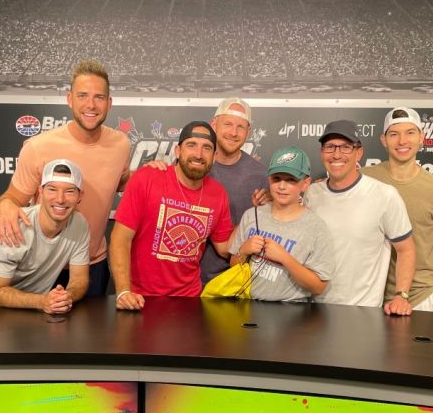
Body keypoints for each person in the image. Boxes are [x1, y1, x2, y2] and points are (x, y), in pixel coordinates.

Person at [0, 59, 129, 297]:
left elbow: (118, 181)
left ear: (109, 103)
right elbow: (13, 197)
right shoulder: (38, 146)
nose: (91, 104)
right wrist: (4, 205)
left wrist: (155, 172)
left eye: (98, 97)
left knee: (90, 334)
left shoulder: (121, 144)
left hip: (92, 262)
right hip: (41, 265)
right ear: (69, 99)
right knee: (35, 333)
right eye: (83, 95)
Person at [110, 121, 234, 310]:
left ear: (214, 156)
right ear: (177, 151)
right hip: (140, 297)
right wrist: (124, 292)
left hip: (188, 300)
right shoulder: (147, 178)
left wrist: (256, 217)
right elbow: (120, 239)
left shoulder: (218, 194)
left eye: (206, 148)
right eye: (191, 145)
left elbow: (224, 247)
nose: (198, 155)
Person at [0, 159, 89, 314]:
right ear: (40, 192)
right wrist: (42, 301)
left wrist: (67, 296)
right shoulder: (15, 225)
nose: (60, 199)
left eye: (69, 191)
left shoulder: (80, 224)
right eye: (52, 189)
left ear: (80, 196)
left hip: (25, 300)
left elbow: (79, 279)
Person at [305, 119, 416, 315]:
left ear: (359, 152)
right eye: (330, 147)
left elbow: (406, 249)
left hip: (361, 312)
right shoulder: (311, 194)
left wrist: (401, 295)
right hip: (314, 310)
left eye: (346, 147)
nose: (337, 154)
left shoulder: (384, 195)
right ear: (322, 152)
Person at [361, 107, 433, 312]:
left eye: (410, 133)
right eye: (394, 134)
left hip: (417, 299)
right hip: (366, 296)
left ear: (422, 137)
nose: (402, 141)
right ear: (383, 139)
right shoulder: (363, 179)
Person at [230, 146, 333, 302]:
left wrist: (285, 258)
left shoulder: (316, 227)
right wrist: (244, 250)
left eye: (291, 180)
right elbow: (233, 265)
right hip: (247, 307)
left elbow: (318, 287)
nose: (282, 186)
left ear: (305, 183)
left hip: (290, 313)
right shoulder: (252, 215)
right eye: (276, 178)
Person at [200, 97, 269, 284]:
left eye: (240, 127)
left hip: (240, 283)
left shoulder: (262, 175)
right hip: (191, 282)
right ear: (214, 124)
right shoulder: (195, 166)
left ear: (249, 132)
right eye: (228, 124)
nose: (233, 132)